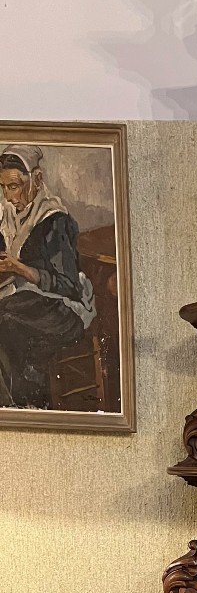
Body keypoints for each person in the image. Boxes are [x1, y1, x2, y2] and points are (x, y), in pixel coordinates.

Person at [0, 144, 96, 408]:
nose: (9, 196)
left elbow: (68, 286)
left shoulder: (54, 220)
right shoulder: (6, 216)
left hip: (63, 310)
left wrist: (18, 268)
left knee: (4, 319)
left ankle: (24, 406)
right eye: (4, 187)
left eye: (15, 186)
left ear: (37, 180)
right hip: (23, 302)